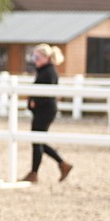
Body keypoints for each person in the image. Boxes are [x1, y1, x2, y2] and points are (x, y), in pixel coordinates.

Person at [23, 43, 73, 184]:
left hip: (44, 111)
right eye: (34, 56)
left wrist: (34, 101)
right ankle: (62, 164)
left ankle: (35, 173)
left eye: (37, 57)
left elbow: (47, 94)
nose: (35, 60)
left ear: (46, 57)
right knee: (38, 141)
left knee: (37, 140)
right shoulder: (45, 71)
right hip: (42, 110)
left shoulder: (48, 72)